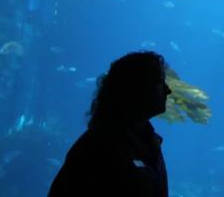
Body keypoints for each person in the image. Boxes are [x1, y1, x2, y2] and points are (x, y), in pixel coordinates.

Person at [49, 51, 172, 197]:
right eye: (158, 81)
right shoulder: (95, 148)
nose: (168, 90)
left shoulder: (151, 143)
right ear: (134, 87)